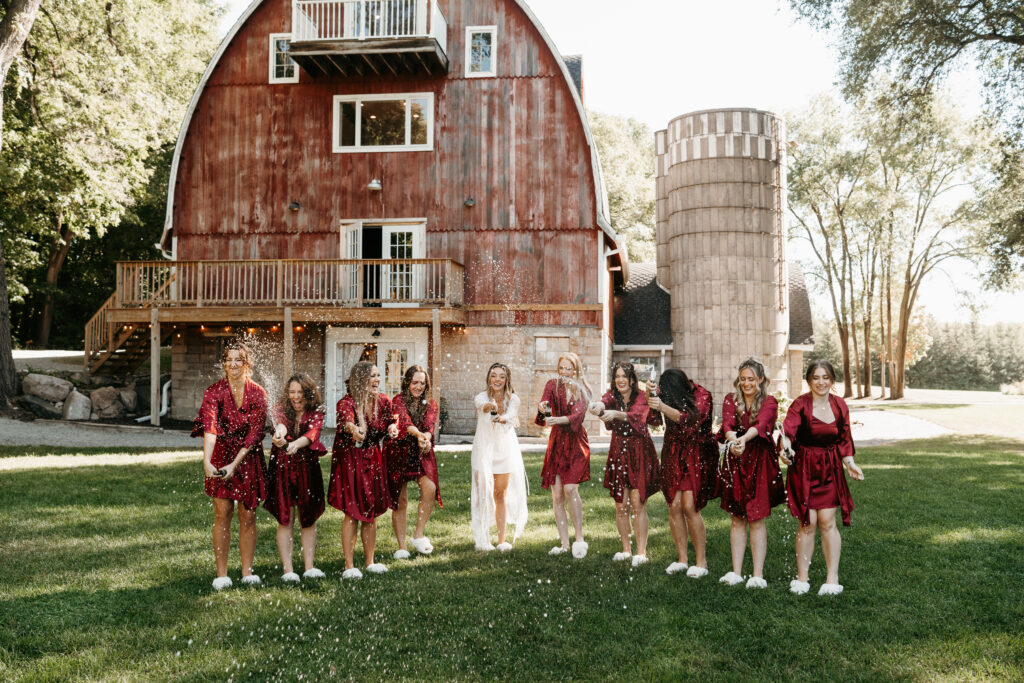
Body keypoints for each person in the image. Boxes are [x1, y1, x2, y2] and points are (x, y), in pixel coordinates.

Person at [782, 359, 864, 596]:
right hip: (805, 467)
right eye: (816, 377)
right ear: (809, 381)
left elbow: (844, 439)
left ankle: (832, 578)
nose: (821, 382)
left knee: (828, 522)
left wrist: (849, 462)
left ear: (832, 380)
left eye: (825, 377)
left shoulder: (840, 405)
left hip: (830, 468)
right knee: (808, 523)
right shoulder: (800, 404)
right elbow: (787, 432)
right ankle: (802, 578)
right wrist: (785, 448)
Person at [193, 341, 268, 590]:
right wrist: (207, 460)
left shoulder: (258, 393)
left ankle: (247, 572)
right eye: (229, 360)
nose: (233, 364)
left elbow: (255, 433)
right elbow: (210, 428)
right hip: (220, 454)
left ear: (247, 363)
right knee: (222, 514)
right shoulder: (214, 391)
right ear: (223, 364)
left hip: (248, 457)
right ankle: (222, 574)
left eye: (239, 360)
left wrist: (235, 464)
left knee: (248, 515)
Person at [717, 357, 785, 589]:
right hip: (736, 460)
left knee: (756, 518)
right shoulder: (730, 399)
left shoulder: (770, 401)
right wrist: (734, 441)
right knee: (737, 517)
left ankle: (757, 575)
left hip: (759, 462)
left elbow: (763, 424)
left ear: (761, 380)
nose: (746, 383)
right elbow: (726, 425)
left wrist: (743, 439)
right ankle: (736, 572)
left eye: (751, 379)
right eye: (743, 379)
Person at [328, 361, 399, 579]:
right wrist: (355, 430)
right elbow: (347, 422)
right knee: (352, 513)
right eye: (372, 376)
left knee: (370, 513)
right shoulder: (346, 402)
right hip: (350, 459)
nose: (377, 380)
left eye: (378, 375)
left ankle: (370, 562)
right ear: (360, 379)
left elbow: (391, 421)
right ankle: (349, 566)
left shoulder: (384, 401)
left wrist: (392, 428)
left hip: (373, 459)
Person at [648, 368, 719, 578]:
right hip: (673, 452)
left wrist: (662, 405)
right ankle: (682, 559)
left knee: (690, 506)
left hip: (696, 453)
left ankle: (701, 562)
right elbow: (653, 419)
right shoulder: (664, 394)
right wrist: (649, 395)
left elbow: (691, 420)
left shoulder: (702, 395)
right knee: (675, 505)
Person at [590, 361, 661, 567]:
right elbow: (604, 402)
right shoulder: (612, 395)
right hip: (618, 450)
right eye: (617, 376)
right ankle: (625, 550)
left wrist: (618, 414)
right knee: (621, 504)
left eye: (624, 376)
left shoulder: (641, 396)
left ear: (631, 379)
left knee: (637, 504)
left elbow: (639, 416)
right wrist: (599, 408)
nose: (620, 380)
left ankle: (641, 552)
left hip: (640, 451)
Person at [265, 373, 327, 583]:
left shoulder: (316, 412)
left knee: (308, 518)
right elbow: (280, 425)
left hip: (307, 469)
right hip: (283, 469)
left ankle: (309, 567)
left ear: (308, 393)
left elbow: (312, 435)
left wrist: (294, 445)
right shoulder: (281, 410)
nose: (295, 396)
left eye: (300, 392)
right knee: (286, 519)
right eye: (292, 391)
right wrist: (280, 436)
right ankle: (288, 570)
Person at [535, 352, 592, 559]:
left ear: (576, 369)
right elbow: (544, 403)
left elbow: (577, 415)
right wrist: (542, 407)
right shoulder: (552, 384)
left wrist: (557, 420)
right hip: (557, 443)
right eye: (562, 368)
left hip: (576, 443)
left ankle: (579, 539)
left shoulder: (583, 389)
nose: (565, 372)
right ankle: (564, 544)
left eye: (569, 368)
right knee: (557, 494)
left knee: (570, 489)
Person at [470, 362, 528, 551]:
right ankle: (482, 540)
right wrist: (490, 406)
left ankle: (502, 540)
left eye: (501, 376)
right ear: (489, 378)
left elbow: (511, 415)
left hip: (504, 450)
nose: (497, 379)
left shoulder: (514, 399)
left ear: (507, 379)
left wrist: (502, 417)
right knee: (482, 496)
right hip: (484, 450)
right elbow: (483, 406)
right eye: (494, 375)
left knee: (499, 495)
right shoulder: (480, 397)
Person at [387, 365, 442, 558]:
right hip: (399, 452)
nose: (418, 386)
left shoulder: (431, 403)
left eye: (422, 383)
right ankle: (402, 546)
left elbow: (430, 425)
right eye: (414, 382)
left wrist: (425, 437)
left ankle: (418, 534)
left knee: (430, 489)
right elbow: (404, 421)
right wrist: (418, 434)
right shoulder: (398, 400)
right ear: (407, 382)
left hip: (420, 452)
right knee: (400, 500)